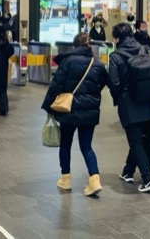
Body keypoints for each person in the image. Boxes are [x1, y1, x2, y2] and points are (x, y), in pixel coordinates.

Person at [42, 32, 109, 196]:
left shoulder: (68, 61)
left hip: (69, 109)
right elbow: (102, 83)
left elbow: (56, 85)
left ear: (74, 45)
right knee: (86, 146)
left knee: (65, 144)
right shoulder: (97, 64)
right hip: (90, 110)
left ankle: (66, 180)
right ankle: (94, 180)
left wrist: (48, 106)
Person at [108, 22, 150, 193]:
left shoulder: (115, 57)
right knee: (140, 139)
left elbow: (114, 83)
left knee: (136, 141)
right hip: (148, 101)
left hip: (129, 104)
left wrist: (120, 98)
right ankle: (128, 171)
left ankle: (148, 179)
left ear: (117, 39)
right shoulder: (146, 50)